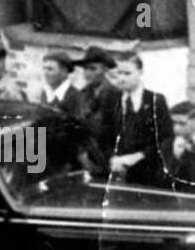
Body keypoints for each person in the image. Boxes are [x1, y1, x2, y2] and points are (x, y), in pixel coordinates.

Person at [95, 52, 174, 188]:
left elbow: (165, 138)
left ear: (140, 72)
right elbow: (104, 135)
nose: (122, 78)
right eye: (118, 73)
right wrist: (112, 158)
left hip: (150, 172)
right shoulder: (111, 99)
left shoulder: (155, 100)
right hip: (117, 171)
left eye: (127, 73)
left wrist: (138, 156)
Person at [72, 44, 118, 139]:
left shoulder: (115, 95)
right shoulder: (82, 94)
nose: (87, 73)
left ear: (105, 69)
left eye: (93, 69)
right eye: (85, 69)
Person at [40, 50, 81, 116]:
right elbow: (42, 123)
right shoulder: (46, 91)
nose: (45, 73)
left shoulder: (76, 98)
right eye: (44, 68)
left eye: (50, 69)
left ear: (64, 72)